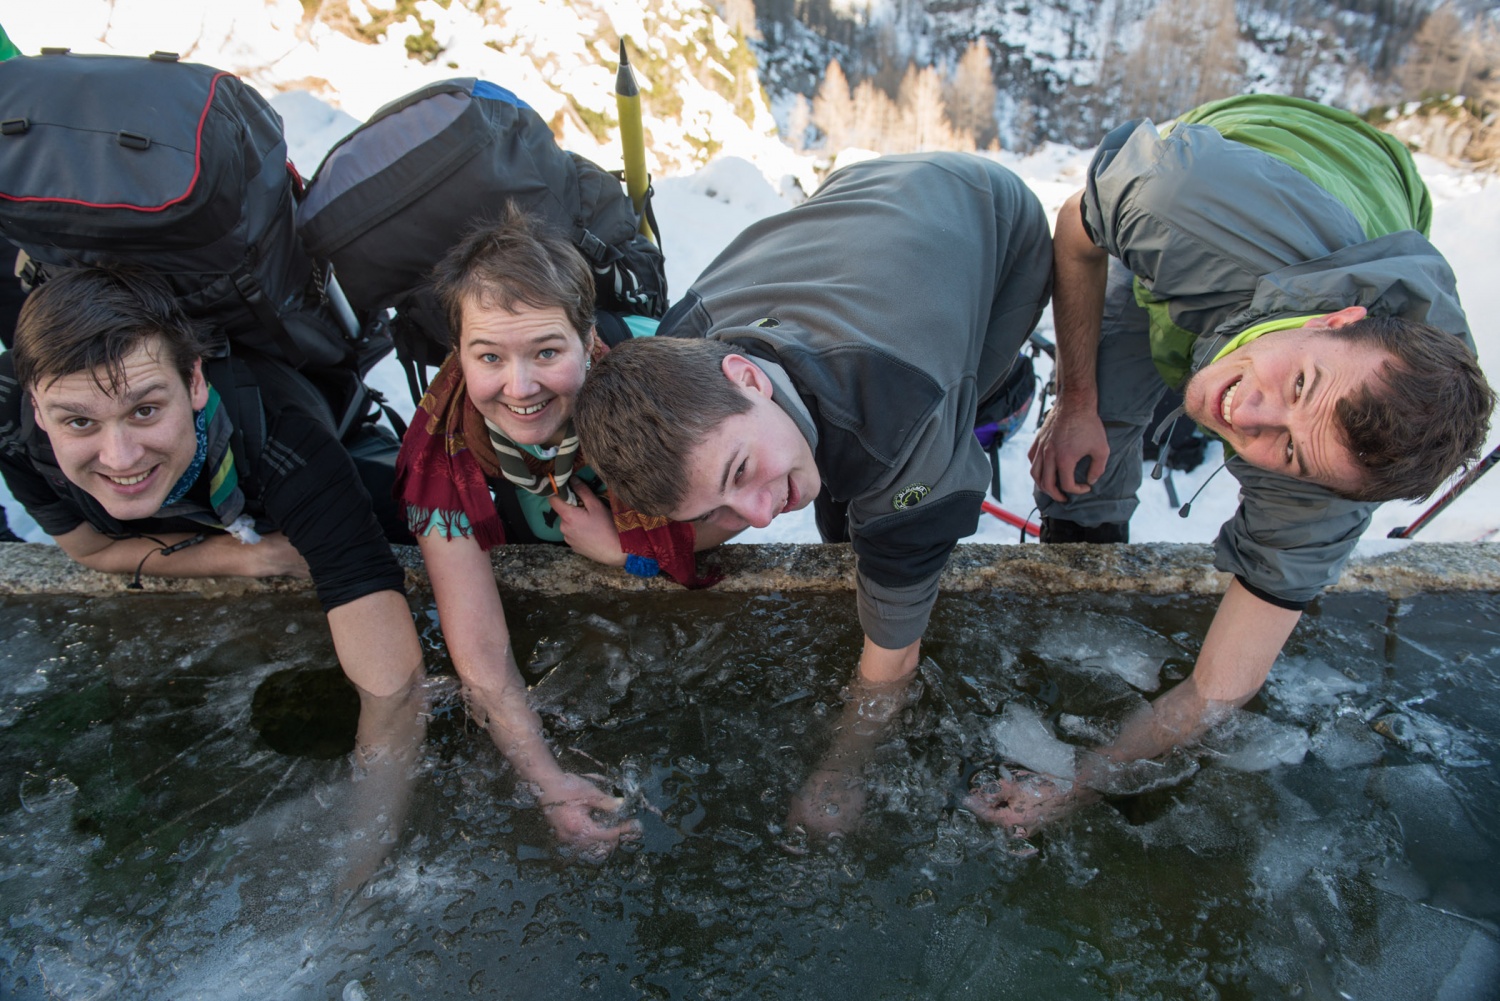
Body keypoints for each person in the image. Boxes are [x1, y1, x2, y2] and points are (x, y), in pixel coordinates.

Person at [1005, 94, 1495, 832]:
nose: (1249, 415)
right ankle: (1084, 534)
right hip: (1259, 164)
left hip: (1374, 206)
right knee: (1104, 410)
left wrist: (1073, 787)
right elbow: (1078, 227)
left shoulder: (1329, 484)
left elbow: (1217, 687)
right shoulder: (1187, 205)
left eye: (1290, 450)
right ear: (1340, 317)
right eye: (1300, 384)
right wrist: (1076, 397)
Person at [575, 152, 1054, 833]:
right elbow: (727, 479)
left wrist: (842, 769)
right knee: (814, 477)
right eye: (720, 506)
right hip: (859, 199)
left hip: (995, 222)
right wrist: (631, 551)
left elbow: (895, 651)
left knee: (890, 517)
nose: (762, 518)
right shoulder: (683, 353)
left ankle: (997, 398)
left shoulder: (905, 412)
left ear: (746, 374)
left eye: (740, 473)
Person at [391, 206, 734, 859]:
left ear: (587, 338)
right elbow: (481, 643)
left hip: (642, 518)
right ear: (457, 352)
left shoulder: (656, 384)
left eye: (546, 351)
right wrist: (546, 778)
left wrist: (624, 551)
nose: (519, 387)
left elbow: (741, 506)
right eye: (489, 355)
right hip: (559, 516)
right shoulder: (445, 444)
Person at [0, 267, 426, 717]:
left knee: (406, 524)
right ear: (36, 407)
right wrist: (247, 558)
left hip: (303, 461)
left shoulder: (285, 437)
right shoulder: (8, 416)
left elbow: (389, 671)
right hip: (223, 512)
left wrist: (373, 784)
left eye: (145, 410)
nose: (120, 458)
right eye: (79, 422)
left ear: (195, 382)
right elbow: (88, 548)